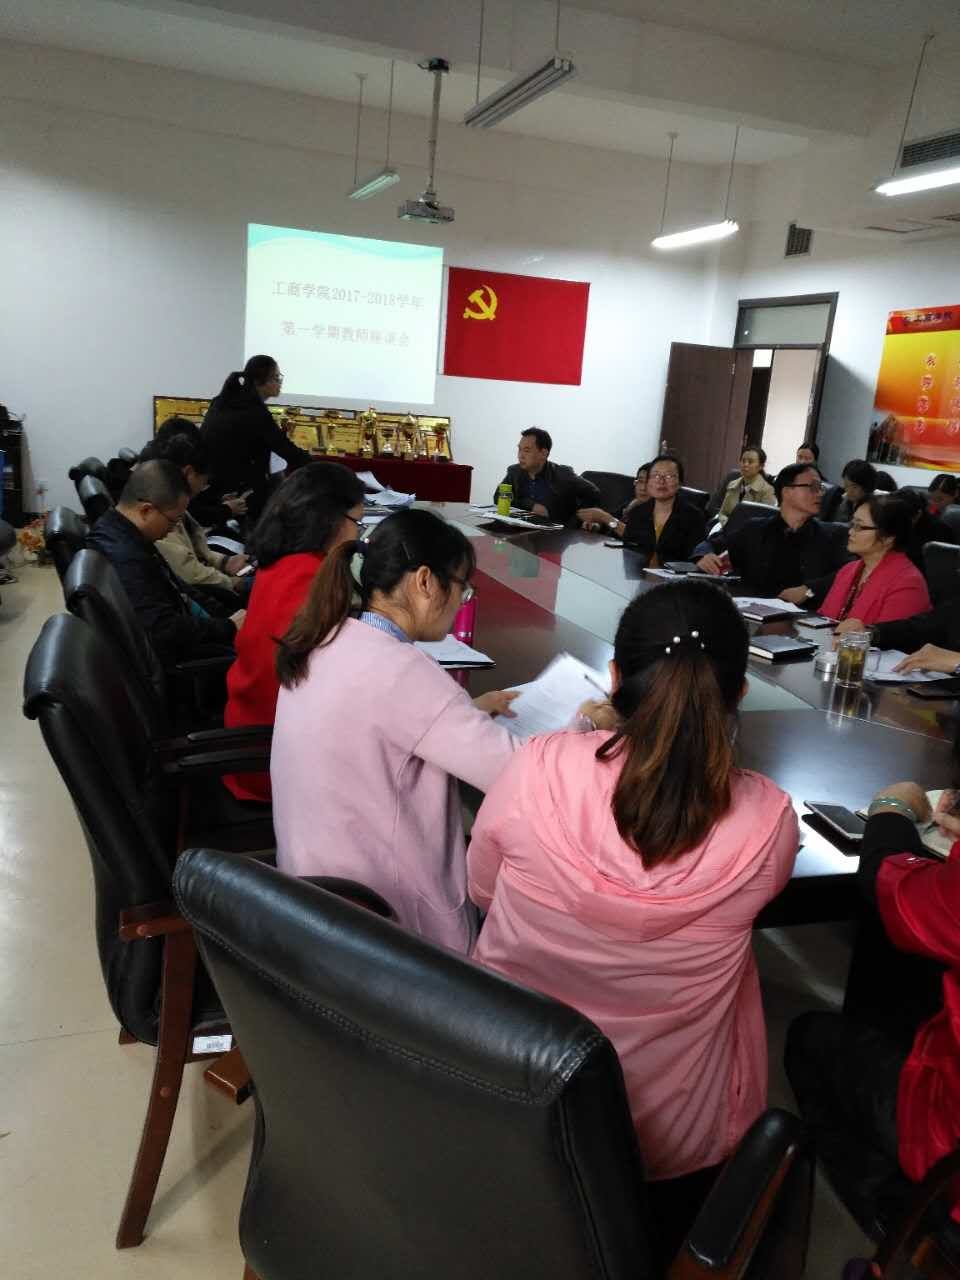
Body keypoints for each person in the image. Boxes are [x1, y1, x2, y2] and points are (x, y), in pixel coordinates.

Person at [467, 581, 798, 1258]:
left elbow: (483, 893)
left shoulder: (536, 768)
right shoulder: (769, 822)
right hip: (674, 1149)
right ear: (738, 693)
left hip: (509, 1100)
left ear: (616, 680)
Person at [271, 508, 520, 952]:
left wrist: (468, 711)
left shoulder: (327, 638)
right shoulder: (404, 672)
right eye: (462, 588)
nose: (461, 603)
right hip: (384, 928)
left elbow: (390, 722)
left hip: (310, 899)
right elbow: (517, 775)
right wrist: (584, 723)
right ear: (425, 581)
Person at [785, 779, 960, 1267]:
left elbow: (893, 890)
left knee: (808, 1040)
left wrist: (891, 807)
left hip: (948, 1143)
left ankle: (903, 1222)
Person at [223, 462, 365, 803]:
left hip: (251, 735)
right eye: (357, 523)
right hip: (275, 758)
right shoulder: (312, 580)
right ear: (329, 519)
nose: (358, 537)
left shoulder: (282, 563)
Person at [86, 459, 243, 664]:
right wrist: (227, 627)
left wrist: (227, 616)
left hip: (188, 629)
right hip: (182, 662)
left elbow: (178, 586)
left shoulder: (124, 531)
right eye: (174, 521)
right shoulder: (127, 556)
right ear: (146, 511)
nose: (173, 529)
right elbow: (164, 630)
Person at [696, 463, 851, 606]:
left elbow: (849, 574)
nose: (820, 494)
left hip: (804, 616)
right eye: (813, 487)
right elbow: (711, 543)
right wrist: (705, 555)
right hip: (752, 610)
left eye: (820, 488)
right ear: (786, 491)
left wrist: (809, 590)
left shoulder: (832, 536)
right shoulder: (754, 529)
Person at [139, 428, 250, 601]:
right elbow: (189, 573)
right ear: (188, 473)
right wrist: (233, 583)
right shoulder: (159, 510)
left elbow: (195, 550)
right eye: (204, 480)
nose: (204, 486)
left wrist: (224, 561)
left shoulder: (173, 500)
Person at [201, 355, 311, 523]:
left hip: (211, 483)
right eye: (276, 378)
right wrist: (322, 467)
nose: (280, 383)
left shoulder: (223, 401)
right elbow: (287, 450)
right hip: (236, 491)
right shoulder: (255, 411)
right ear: (260, 381)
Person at [818, 497, 930, 627]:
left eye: (859, 526)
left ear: (888, 537)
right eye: (852, 524)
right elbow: (823, 619)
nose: (850, 531)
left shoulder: (907, 582)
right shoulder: (848, 570)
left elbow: (887, 637)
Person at [578, 454, 706, 565]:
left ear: (680, 483)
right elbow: (629, 552)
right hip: (638, 577)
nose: (661, 481)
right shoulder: (638, 512)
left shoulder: (693, 516)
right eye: (655, 476)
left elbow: (695, 560)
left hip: (675, 581)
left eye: (669, 476)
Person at [493, 428, 600, 525]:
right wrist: (530, 505)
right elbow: (498, 497)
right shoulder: (514, 472)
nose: (520, 455)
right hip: (521, 529)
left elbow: (593, 492)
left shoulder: (562, 474)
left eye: (526, 450)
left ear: (543, 454)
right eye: (519, 449)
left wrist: (576, 521)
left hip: (555, 533)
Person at [716, 445, 776, 526]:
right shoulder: (732, 484)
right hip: (726, 528)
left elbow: (763, 523)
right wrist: (727, 525)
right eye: (743, 461)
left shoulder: (767, 491)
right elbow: (722, 513)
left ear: (761, 466)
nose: (745, 464)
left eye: (750, 462)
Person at [836, 459, 878, 523]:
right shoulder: (845, 502)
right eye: (846, 485)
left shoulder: (874, 509)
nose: (849, 491)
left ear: (867, 486)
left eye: (854, 487)